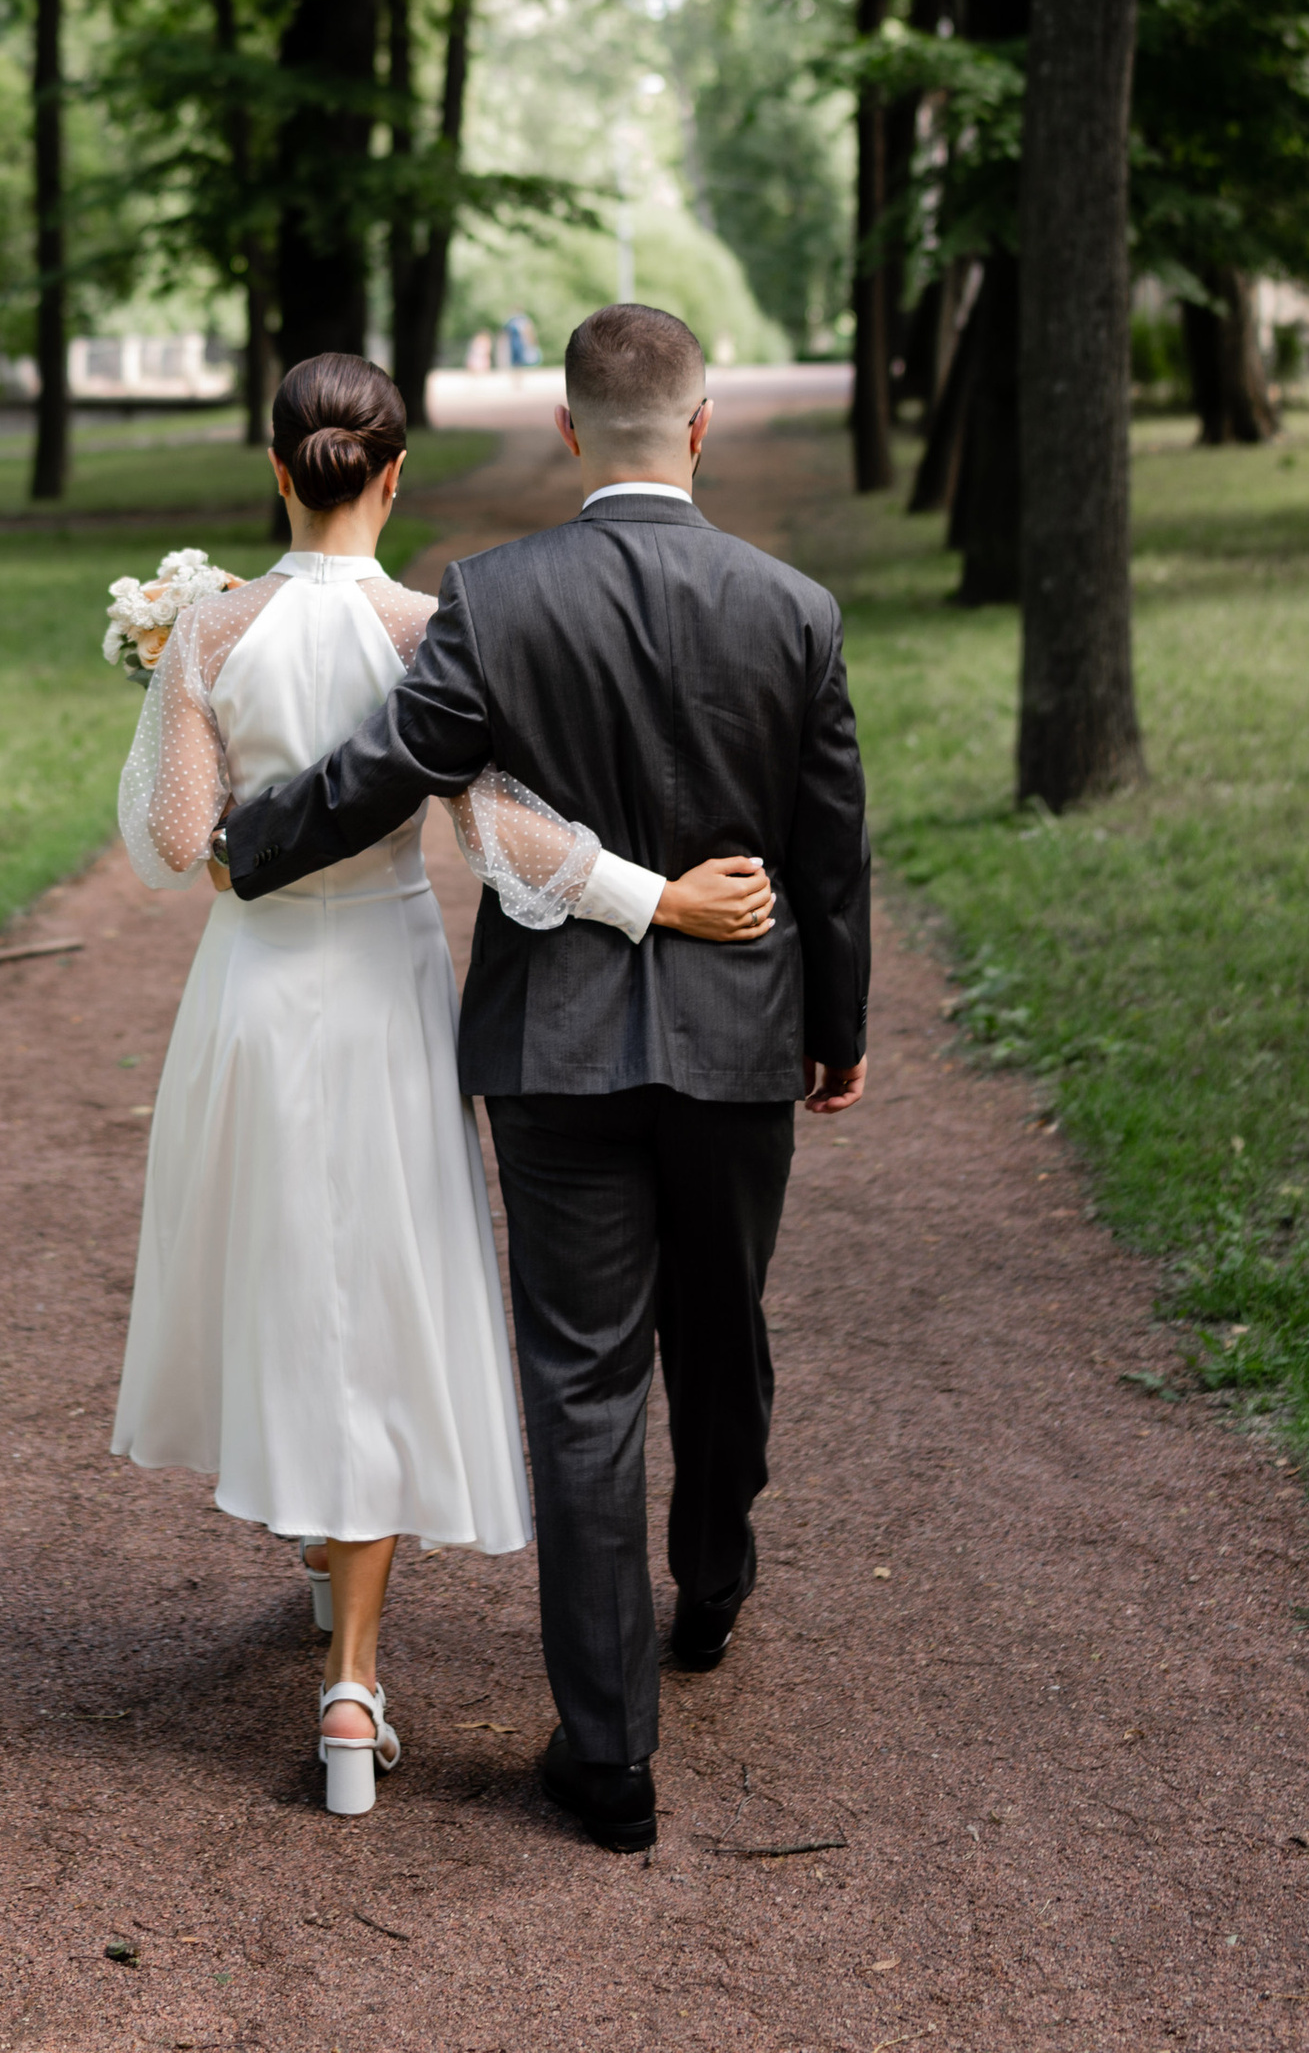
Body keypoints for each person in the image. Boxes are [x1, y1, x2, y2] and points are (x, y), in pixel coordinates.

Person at [222, 303, 871, 1857]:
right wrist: (835, 1029)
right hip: (735, 1044)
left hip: (557, 1055)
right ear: (699, 430)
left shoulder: (498, 599)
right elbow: (831, 852)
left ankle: (607, 1756)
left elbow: (402, 762)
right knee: (726, 1329)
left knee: (579, 1381)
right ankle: (708, 1586)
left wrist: (256, 841)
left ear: (574, 434)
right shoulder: (796, 610)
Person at [110, 350, 764, 1816]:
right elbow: (506, 833)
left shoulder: (209, 630)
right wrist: (663, 900)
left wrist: (176, 673)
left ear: (278, 469)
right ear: (392, 474)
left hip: (255, 992)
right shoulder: (429, 629)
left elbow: (176, 840)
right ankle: (353, 1682)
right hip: (388, 987)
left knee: (283, 1272)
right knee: (375, 1288)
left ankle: (318, 1564)